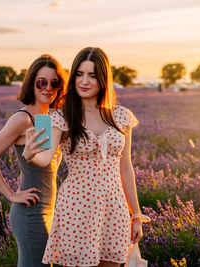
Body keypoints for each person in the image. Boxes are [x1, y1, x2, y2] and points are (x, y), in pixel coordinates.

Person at [23, 47, 149, 267]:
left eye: (92, 75)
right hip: (76, 207)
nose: (84, 81)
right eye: (79, 74)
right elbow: (44, 158)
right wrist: (30, 155)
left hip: (114, 207)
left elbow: (126, 168)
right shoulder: (61, 116)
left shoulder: (122, 116)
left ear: (103, 79)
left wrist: (136, 215)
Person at [0, 54, 67, 267]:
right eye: (41, 83)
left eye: (54, 83)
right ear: (32, 84)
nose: (48, 88)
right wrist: (11, 194)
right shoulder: (23, 119)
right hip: (31, 212)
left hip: (49, 210)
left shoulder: (50, 118)